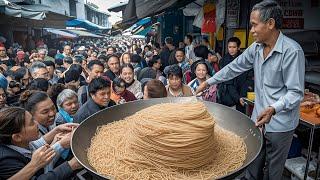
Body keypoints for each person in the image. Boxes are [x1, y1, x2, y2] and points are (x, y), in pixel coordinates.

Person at [196, 1, 305, 179]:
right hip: (258, 119)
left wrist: (274, 108)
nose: (251, 30)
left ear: (270, 23)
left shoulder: (292, 51)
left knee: (273, 172)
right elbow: (234, 67)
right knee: (253, 165)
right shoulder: (255, 48)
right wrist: (209, 82)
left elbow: (296, 92)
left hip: (281, 123)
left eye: (254, 25)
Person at [0, 107, 82, 179]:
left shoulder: (21, 143)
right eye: (32, 123)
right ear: (17, 137)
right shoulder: (8, 162)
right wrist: (72, 164)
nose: (37, 123)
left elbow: (36, 144)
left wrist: (57, 130)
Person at [216, 37, 242, 108]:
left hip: (241, 90)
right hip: (226, 92)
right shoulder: (224, 60)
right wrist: (237, 97)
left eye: (234, 47)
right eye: (229, 47)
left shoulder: (243, 59)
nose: (231, 49)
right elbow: (227, 81)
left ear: (238, 47)